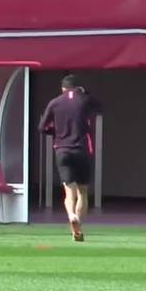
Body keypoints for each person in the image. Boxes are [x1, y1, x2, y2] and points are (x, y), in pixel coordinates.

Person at [38, 74, 102, 242]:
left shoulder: (54, 102)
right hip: (82, 151)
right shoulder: (84, 100)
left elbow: (42, 127)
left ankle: (71, 215)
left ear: (63, 89)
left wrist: (56, 132)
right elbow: (100, 106)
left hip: (62, 151)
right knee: (82, 193)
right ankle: (78, 227)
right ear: (77, 88)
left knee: (69, 193)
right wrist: (85, 93)